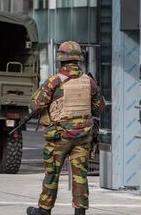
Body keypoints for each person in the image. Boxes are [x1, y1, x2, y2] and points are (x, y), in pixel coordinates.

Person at [26, 41, 105, 215]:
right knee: (80, 175)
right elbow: (100, 107)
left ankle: (44, 210)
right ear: (79, 60)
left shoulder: (54, 81)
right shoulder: (89, 82)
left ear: (60, 59)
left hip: (59, 137)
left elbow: (36, 104)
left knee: (52, 173)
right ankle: (80, 212)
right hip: (83, 137)